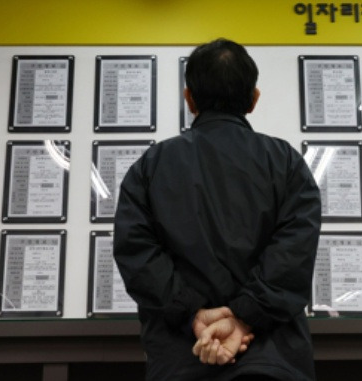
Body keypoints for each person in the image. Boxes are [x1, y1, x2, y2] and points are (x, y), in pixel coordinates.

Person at [113, 38, 321, 381]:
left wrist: (193, 316)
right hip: (274, 360)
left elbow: (136, 254)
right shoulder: (286, 163)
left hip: (180, 358)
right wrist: (242, 318)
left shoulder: (150, 166)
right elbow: (293, 254)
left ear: (189, 99)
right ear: (253, 100)